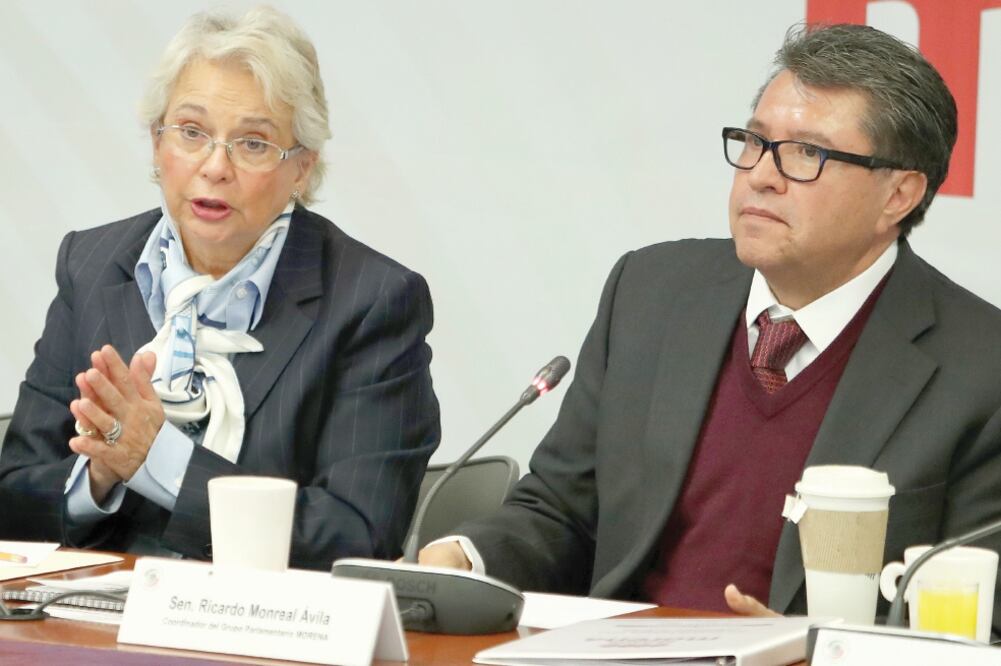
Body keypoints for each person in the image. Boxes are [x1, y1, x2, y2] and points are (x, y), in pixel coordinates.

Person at [419, 23, 1001, 628]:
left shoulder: (981, 371)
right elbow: (563, 509)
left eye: (807, 153)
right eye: (755, 141)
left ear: (898, 195)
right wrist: (466, 557)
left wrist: (813, 648)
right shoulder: (652, 293)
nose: (761, 175)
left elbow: (978, 622)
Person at [0, 6, 440, 570]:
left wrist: (161, 462)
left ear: (302, 168)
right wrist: (99, 475)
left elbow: (358, 534)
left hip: (258, 619)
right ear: (157, 143)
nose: (214, 166)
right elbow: (14, 498)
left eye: (253, 143)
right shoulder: (92, 266)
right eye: (191, 132)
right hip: (92, 611)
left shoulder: (372, 301)